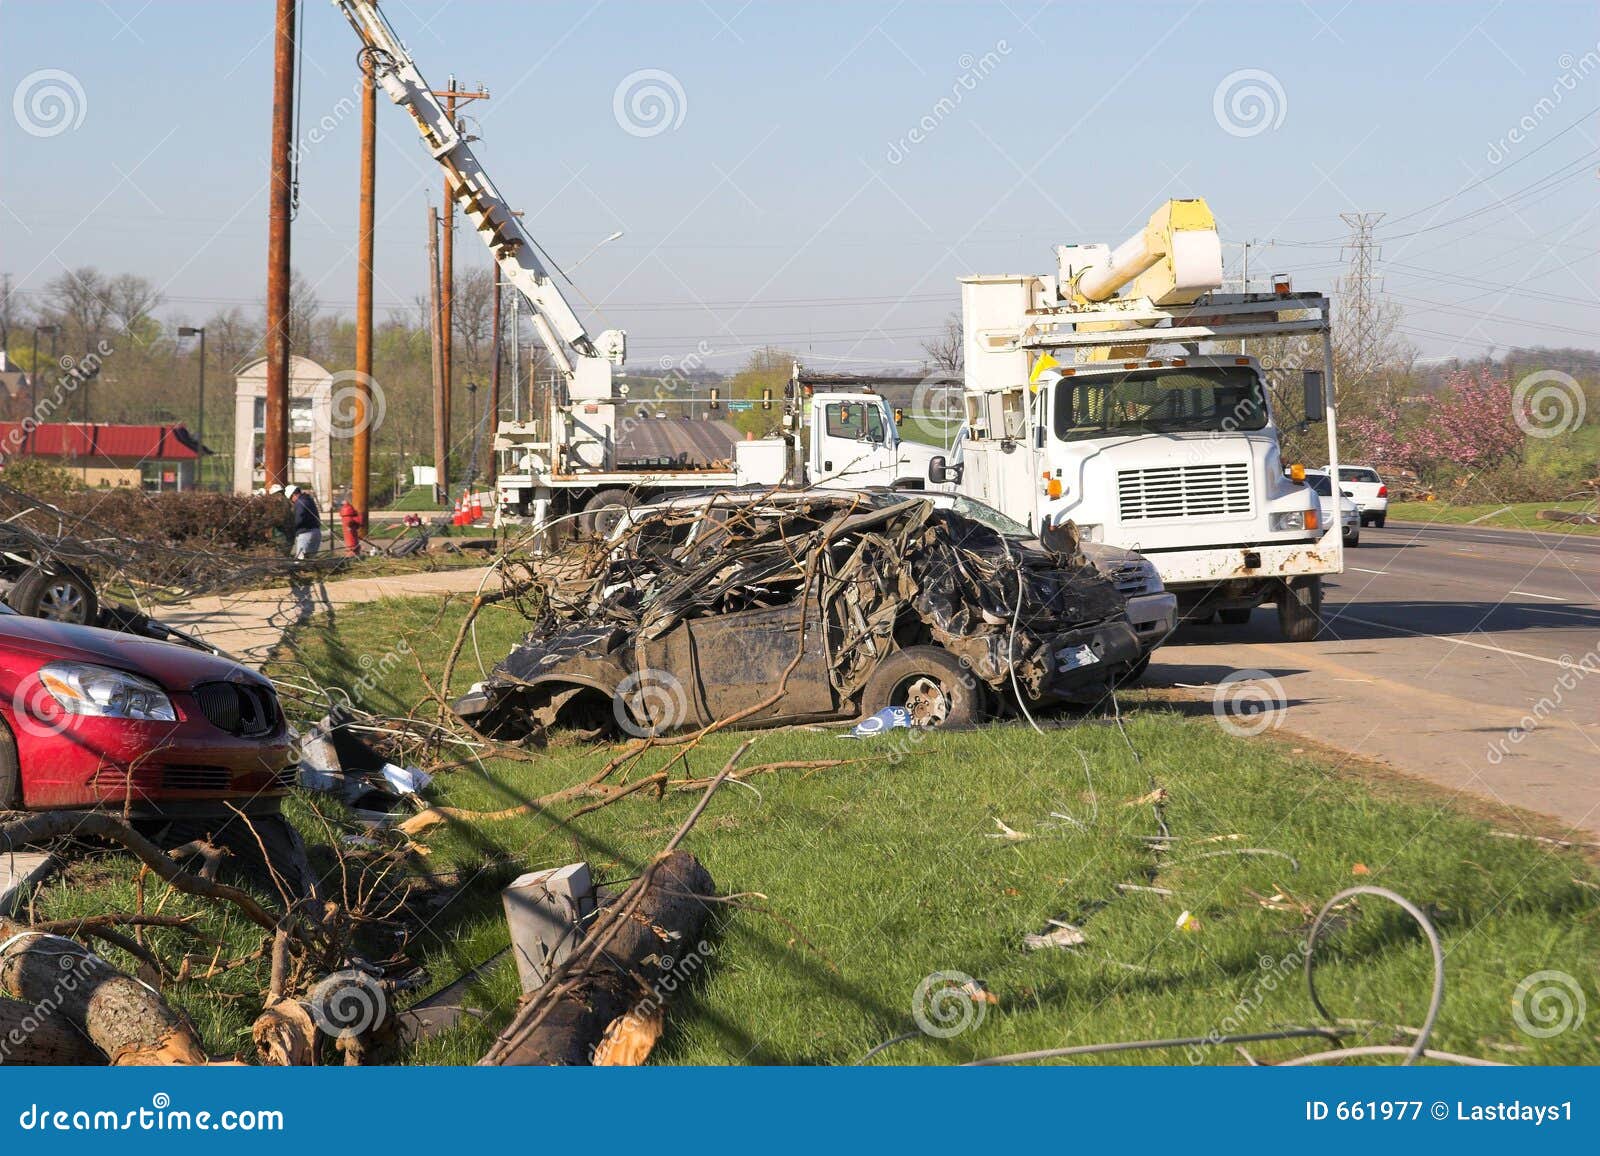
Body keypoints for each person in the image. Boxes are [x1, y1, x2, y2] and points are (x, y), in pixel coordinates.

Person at [289, 485, 321, 559]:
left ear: (293, 495)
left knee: (300, 560)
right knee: (310, 559)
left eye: (291, 499)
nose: (292, 501)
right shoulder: (309, 499)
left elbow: (299, 518)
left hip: (305, 533)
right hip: (316, 532)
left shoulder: (300, 502)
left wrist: (292, 528)